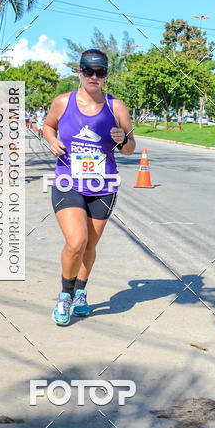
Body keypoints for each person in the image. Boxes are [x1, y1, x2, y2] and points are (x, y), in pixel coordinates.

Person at [43, 49, 136, 325]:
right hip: (67, 180)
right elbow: (47, 126)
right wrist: (51, 140)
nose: (94, 77)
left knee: (90, 246)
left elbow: (131, 148)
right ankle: (65, 296)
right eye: (88, 71)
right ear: (79, 72)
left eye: (100, 72)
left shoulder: (116, 107)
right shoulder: (62, 102)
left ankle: (81, 292)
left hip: (104, 185)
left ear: (106, 75)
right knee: (77, 241)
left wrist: (122, 140)